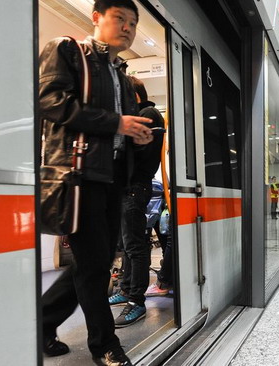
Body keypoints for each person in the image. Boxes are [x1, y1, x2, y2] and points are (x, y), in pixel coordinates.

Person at [39, 1, 152, 365]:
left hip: (110, 179)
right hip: (79, 176)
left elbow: (119, 125)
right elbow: (52, 102)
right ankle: (105, 345)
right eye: (120, 18)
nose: (128, 27)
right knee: (94, 267)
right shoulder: (68, 50)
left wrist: (135, 135)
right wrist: (118, 124)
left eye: (133, 23)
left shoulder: (118, 72)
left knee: (94, 263)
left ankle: (41, 323)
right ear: (97, 18)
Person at [108, 76, 165, 327]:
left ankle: (136, 301)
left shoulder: (149, 113)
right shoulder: (139, 114)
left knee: (136, 245)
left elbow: (134, 152)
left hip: (135, 187)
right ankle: (126, 287)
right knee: (127, 244)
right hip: (124, 188)